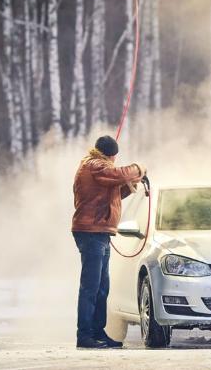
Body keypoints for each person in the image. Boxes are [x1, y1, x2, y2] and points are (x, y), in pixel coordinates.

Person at [71, 135, 145, 349]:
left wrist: (128, 187)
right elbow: (117, 174)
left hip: (100, 232)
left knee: (102, 287)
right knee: (90, 287)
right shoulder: (94, 165)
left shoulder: (98, 169)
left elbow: (107, 194)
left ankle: (97, 332)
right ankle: (84, 336)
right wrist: (139, 168)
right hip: (91, 232)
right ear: (111, 155)